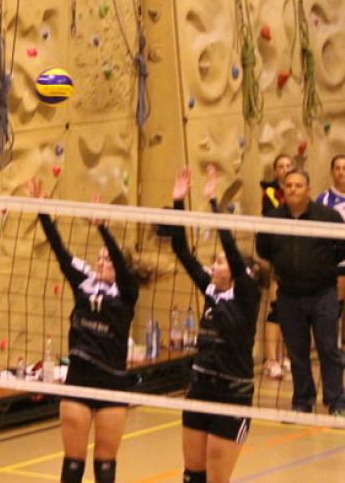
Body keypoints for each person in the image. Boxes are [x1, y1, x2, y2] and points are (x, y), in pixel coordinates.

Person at [28, 177, 145, 483]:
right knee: (73, 465)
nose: (102, 261)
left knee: (105, 466)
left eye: (108, 259)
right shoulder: (84, 282)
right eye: (99, 257)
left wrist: (103, 228)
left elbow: (122, 266)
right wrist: (42, 210)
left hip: (112, 383)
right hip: (79, 379)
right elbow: (59, 250)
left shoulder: (127, 293)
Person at [171, 166, 261, 483]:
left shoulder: (247, 294)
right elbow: (181, 250)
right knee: (192, 475)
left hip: (233, 394)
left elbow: (234, 253)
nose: (213, 265)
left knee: (217, 479)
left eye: (219, 262)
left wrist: (213, 203)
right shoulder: (211, 291)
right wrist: (178, 202)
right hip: (201, 388)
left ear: (237, 272)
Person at [257, 169, 345, 414]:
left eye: (298, 185)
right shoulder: (273, 218)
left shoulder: (327, 217)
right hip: (289, 295)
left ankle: (336, 401)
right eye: (289, 185)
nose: (293, 189)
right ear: (283, 189)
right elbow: (263, 249)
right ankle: (303, 400)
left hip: (323, 294)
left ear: (308, 189)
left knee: (329, 349)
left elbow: (342, 249)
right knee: (297, 352)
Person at [260, 153, 294, 379]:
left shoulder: (301, 194)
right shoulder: (270, 193)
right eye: (281, 166)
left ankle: (286, 356)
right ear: (275, 171)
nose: (285, 169)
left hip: (298, 257)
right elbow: (275, 218)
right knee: (276, 307)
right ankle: (270, 359)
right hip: (278, 255)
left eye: (288, 165)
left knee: (292, 308)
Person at [316, 154, 345, 365]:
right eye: (337, 168)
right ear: (332, 172)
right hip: (336, 262)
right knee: (336, 305)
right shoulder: (324, 200)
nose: (341, 172)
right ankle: (333, 349)